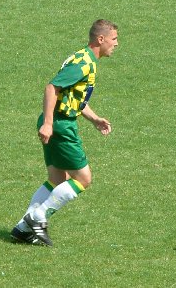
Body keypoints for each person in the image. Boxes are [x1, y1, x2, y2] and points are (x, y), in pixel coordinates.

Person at [11, 19, 118, 246]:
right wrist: (49, 123)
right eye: (114, 39)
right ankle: (37, 218)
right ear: (101, 39)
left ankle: (22, 228)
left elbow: (73, 97)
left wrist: (94, 119)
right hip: (60, 124)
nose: (116, 44)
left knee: (57, 179)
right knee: (83, 179)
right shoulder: (84, 65)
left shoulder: (83, 57)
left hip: (58, 120)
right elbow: (52, 88)